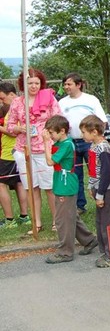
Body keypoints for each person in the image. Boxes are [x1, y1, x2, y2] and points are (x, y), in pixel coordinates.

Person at [7, 68, 60, 233]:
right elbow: (10, 126)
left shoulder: (49, 99)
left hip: (45, 148)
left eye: (37, 83)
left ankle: (56, 221)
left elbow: (59, 119)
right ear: (23, 84)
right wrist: (19, 128)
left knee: (49, 187)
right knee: (31, 187)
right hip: (24, 149)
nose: (34, 86)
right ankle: (36, 223)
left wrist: (48, 131)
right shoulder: (17, 102)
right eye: (30, 83)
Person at [41, 115, 98, 264]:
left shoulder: (66, 145)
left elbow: (50, 161)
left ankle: (65, 252)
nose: (50, 136)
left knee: (63, 220)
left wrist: (46, 143)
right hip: (62, 182)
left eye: (51, 133)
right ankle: (89, 239)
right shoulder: (62, 143)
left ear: (62, 131)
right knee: (70, 215)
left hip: (65, 185)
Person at [59, 72, 108, 214]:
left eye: (69, 84)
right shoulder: (62, 103)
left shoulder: (91, 100)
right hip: (71, 142)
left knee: (96, 171)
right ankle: (79, 205)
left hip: (89, 143)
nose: (66, 87)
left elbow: (102, 121)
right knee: (75, 175)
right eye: (65, 84)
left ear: (78, 85)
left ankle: (102, 198)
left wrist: (98, 140)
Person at [80, 114, 110, 267]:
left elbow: (106, 173)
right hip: (98, 188)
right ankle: (105, 251)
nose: (82, 135)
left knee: (108, 223)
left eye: (84, 132)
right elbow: (93, 170)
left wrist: (100, 195)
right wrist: (91, 187)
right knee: (100, 223)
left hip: (106, 189)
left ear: (94, 132)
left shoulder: (104, 148)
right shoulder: (93, 146)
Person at [0, 82, 29, 229]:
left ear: (11, 94)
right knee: (19, 182)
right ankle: (24, 216)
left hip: (10, 153)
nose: (1, 101)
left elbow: (14, 132)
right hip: (17, 151)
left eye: (2, 98)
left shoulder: (16, 108)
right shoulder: (19, 106)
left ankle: (9, 219)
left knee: (1, 184)